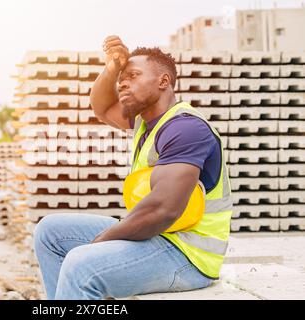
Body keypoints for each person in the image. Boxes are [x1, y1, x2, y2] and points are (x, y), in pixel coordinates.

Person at [33, 35, 233, 300]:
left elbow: (163, 210)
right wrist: (111, 68)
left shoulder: (186, 128)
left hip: (187, 255)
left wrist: (100, 243)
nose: (123, 83)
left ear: (163, 81)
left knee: (82, 265)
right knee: (50, 232)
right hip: (160, 238)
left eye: (133, 75)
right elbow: (102, 107)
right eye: (121, 79)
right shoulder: (144, 123)